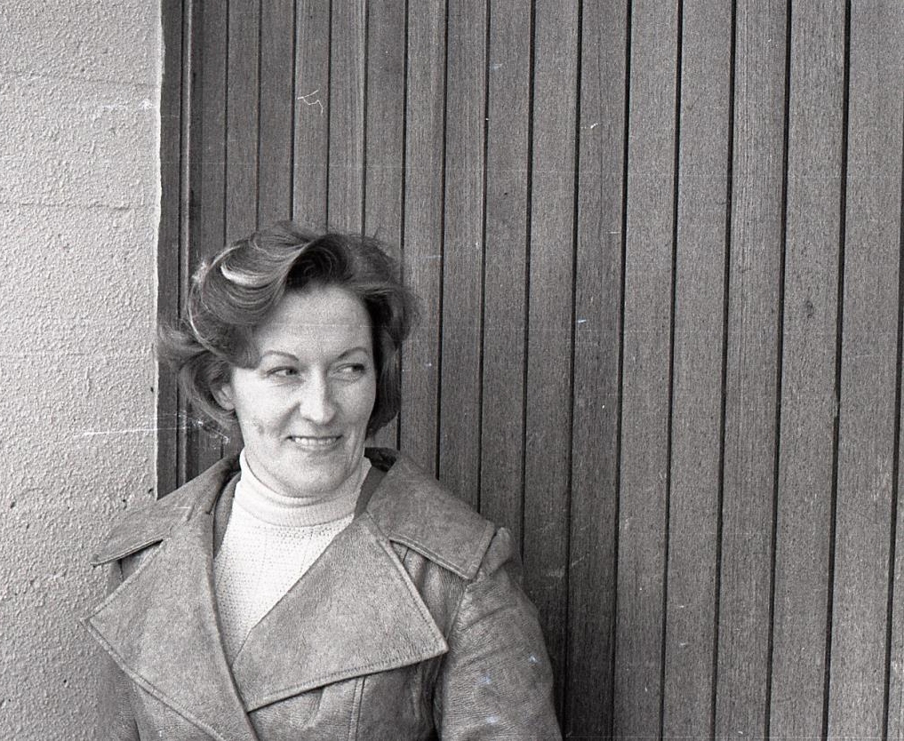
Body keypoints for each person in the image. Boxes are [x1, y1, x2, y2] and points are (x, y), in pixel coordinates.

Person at [84, 223, 561, 740]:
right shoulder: (146, 557)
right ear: (222, 385)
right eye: (285, 371)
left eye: (349, 369)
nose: (321, 409)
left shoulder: (459, 572)